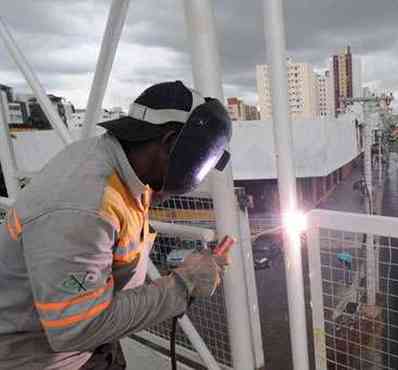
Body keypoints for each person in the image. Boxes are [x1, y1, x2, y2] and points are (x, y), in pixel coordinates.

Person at [0, 81, 234, 369]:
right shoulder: (82, 205)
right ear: (170, 143)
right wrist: (183, 284)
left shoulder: (120, 167)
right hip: (39, 358)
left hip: (89, 344)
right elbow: (77, 329)